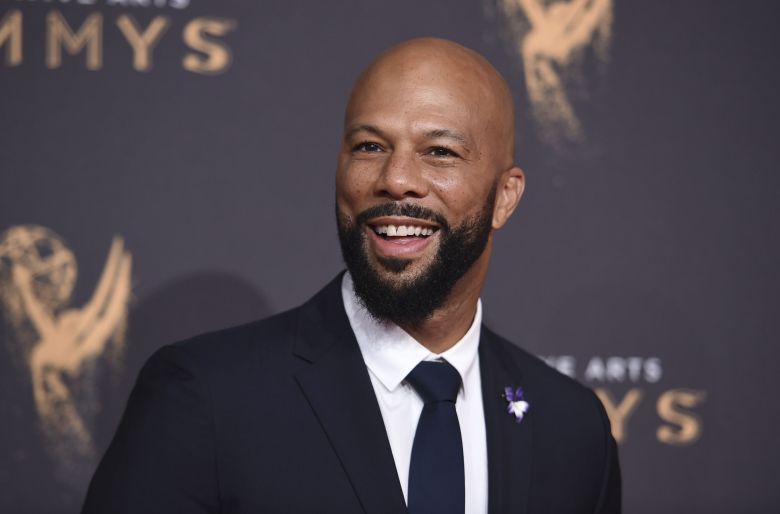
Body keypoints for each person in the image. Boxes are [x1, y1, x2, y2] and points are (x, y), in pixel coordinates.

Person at [82, 37, 620, 514]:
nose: (397, 179)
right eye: (370, 147)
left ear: (505, 196)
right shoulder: (205, 396)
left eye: (439, 152)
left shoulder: (573, 428)